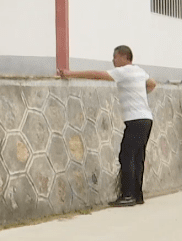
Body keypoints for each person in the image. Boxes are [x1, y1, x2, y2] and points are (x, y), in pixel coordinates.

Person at [57, 45, 155, 207]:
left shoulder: (124, 71)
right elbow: (152, 84)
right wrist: (139, 93)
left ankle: (128, 195)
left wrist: (71, 74)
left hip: (135, 120)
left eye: (115, 57)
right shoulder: (139, 71)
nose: (113, 61)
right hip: (146, 119)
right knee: (138, 157)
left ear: (124, 57)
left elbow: (97, 75)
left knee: (126, 156)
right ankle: (137, 195)